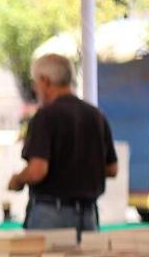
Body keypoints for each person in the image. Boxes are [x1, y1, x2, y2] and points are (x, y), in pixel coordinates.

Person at [9, 53, 118, 238]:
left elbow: (37, 170)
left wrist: (17, 179)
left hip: (51, 215)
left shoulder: (45, 116)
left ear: (45, 81)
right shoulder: (96, 116)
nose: (35, 88)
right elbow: (112, 169)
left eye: (36, 82)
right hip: (88, 215)